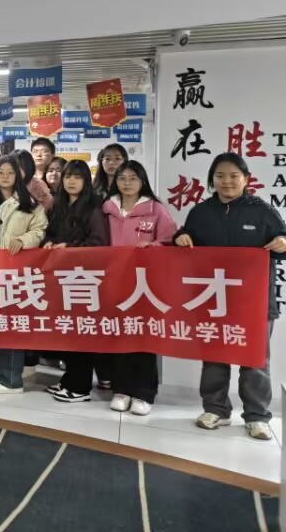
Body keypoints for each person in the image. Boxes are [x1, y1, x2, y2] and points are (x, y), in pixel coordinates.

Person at [175, 152, 286, 440]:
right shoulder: (200, 212)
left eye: (234, 176)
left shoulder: (262, 211)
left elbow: (284, 240)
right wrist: (180, 238)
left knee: (255, 360)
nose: (227, 181)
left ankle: (257, 416)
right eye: (220, 176)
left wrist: (283, 242)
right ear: (212, 180)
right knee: (214, 357)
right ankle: (216, 410)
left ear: (246, 179)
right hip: (213, 299)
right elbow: (184, 238)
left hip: (255, 302)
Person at [100, 161, 176, 416]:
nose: (127, 183)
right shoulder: (107, 208)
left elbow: (169, 241)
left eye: (133, 178)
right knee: (119, 335)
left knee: (143, 336)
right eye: (122, 178)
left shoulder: (155, 209)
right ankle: (121, 390)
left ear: (142, 181)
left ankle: (144, 392)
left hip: (145, 283)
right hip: (114, 280)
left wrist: (153, 248)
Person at [0, 156, 47, 394]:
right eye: (0, 172)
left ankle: (11, 380)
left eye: (10, 172)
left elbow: (40, 229)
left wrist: (24, 240)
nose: (5, 177)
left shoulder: (29, 204)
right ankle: (2, 371)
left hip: (16, 274)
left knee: (12, 325)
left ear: (18, 176)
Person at [41, 160, 110, 404]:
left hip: (83, 278)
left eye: (78, 177)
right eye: (68, 176)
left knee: (81, 331)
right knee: (66, 330)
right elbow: (49, 233)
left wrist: (69, 247)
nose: (71, 181)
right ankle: (69, 379)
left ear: (86, 181)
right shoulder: (58, 205)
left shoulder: (93, 209)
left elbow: (99, 243)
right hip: (61, 278)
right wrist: (48, 243)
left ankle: (80, 387)